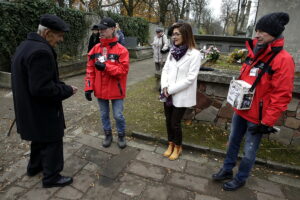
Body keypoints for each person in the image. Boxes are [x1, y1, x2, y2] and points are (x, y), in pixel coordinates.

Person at [212, 12, 295, 191]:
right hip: (241, 110)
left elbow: (282, 94)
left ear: (273, 33)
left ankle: (240, 178)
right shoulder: (254, 53)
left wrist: (267, 122)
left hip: (258, 117)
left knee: (249, 151)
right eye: (257, 30)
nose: (257, 34)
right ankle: (227, 170)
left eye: (262, 31)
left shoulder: (283, 60)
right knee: (233, 141)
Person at [11, 14, 78, 188]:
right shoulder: (41, 51)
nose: (61, 39)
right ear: (47, 33)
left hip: (28, 107)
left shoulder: (25, 46)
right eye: (59, 35)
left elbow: (36, 80)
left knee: (38, 138)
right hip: (42, 109)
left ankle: (34, 167)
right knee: (52, 140)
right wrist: (67, 90)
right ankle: (51, 177)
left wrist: (60, 85)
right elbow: (42, 89)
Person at [84, 17, 129, 149]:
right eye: (100, 29)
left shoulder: (122, 50)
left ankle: (121, 135)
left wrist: (106, 67)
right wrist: (88, 87)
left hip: (116, 89)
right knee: (104, 115)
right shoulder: (95, 49)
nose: (101, 31)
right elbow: (89, 70)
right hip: (100, 89)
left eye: (104, 29)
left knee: (118, 115)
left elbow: (123, 70)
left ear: (113, 29)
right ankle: (108, 135)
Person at [160, 23, 201, 160]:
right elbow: (165, 70)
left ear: (186, 35)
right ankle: (170, 144)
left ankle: (178, 147)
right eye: (173, 34)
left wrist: (170, 89)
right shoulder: (172, 52)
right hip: (168, 93)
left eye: (177, 34)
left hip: (181, 95)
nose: (174, 37)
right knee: (167, 121)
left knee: (175, 123)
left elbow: (190, 78)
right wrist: (165, 86)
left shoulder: (194, 54)